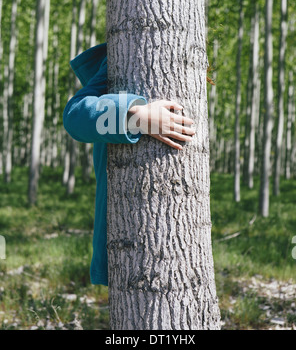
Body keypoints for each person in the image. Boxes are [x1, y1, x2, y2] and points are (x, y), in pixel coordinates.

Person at [63, 43, 196, 286]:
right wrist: (135, 118)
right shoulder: (114, 57)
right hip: (121, 242)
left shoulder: (196, 53)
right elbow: (75, 117)